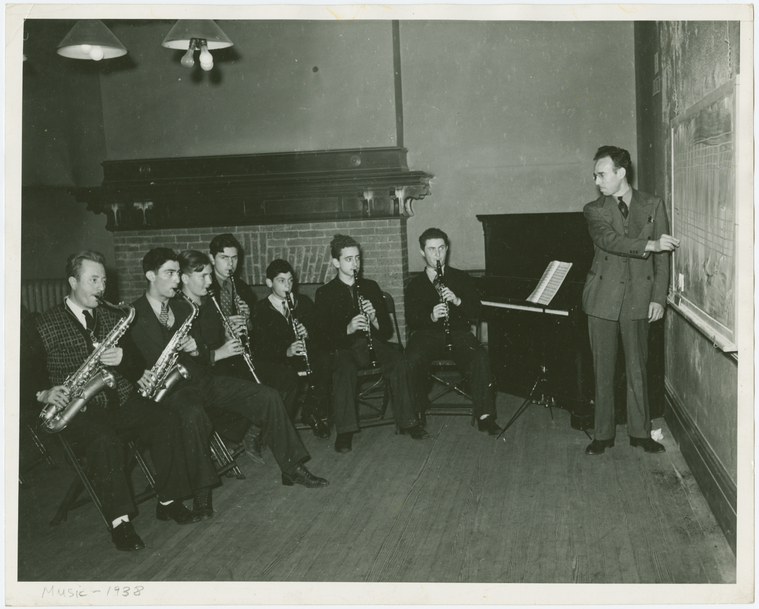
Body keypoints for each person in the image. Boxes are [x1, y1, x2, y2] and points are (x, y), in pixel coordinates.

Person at [29, 250, 205, 552]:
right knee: (104, 439)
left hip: (120, 400)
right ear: (73, 281)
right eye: (93, 280)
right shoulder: (44, 323)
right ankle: (120, 522)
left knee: (166, 420)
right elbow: (20, 374)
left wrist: (125, 359)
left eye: (104, 280)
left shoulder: (113, 317)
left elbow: (136, 365)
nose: (101, 287)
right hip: (78, 410)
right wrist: (43, 393)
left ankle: (168, 500)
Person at [130, 248, 329, 488]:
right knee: (195, 414)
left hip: (205, 378)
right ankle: (204, 489)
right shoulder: (138, 312)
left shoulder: (187, 308)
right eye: (171, 273)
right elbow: (135, 361)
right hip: (175, 390)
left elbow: (201, 350)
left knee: (269, 395)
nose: (210, 281)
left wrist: (213, 342)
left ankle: (292, 467)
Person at [582, 145, 680, 456]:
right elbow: (609, 240)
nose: (597, 181)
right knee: (603, 369)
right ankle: (602, 434)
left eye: (602, 174)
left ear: (621, 172)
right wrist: (650, 243)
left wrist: (658, 299)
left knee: (638, 367)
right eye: (596, 176)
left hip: (640, 297)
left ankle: (640, 433)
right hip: (602, 299)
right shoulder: (594, 209)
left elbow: (663, 260)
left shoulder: (652, 204)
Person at [314, 234, 425, 453]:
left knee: (400, 362)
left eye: (357, 258)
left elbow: (385, 332)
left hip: (370, 343)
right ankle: (345, 432)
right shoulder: (324, 293)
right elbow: (321, 337)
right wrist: (348, 329)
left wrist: (374, 318)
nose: (355, 264)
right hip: (342, 347)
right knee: (344, 370)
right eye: (348, 259)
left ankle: (408, 422)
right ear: (336, 262)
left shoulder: (370, 287)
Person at [404, 228, 501, 435]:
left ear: (446, 249)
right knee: (411, 360)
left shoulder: (461, 278)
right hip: (426, 335)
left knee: (480, 357)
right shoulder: (414, 285)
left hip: (458, 334)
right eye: (431, 249)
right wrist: (431, 316)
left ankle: (485, 416)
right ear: (422, 252)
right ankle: (416, 415)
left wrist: (457, 300)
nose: (437, 254)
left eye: (441, 248)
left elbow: (476, 311)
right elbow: (412, 321)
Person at [207, 233, 298, 446]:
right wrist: (224, 328)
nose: (230, 264)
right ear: (212, 259)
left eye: (234, 258)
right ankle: (242, 432)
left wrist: (247, 321)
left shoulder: (242, 287)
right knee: (253, 388)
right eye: (224, 258)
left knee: (288, 377)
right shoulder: (204, 288)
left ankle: (256, 432)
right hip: (216, 359)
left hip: (239, 357)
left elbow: (253, 334)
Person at [250, 259, 331, 439]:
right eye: (281, 281)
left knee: (325, 359)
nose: (288, 286)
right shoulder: (260, 309)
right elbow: (261, 348)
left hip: (304, 352)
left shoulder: (304, 302)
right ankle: (278, 425)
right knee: (286, 374)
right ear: (269, 283)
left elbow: (322, 335)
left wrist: (308, 333)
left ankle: (312, 412)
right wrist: (286, 351)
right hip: (279, 359)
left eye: (290, 280)